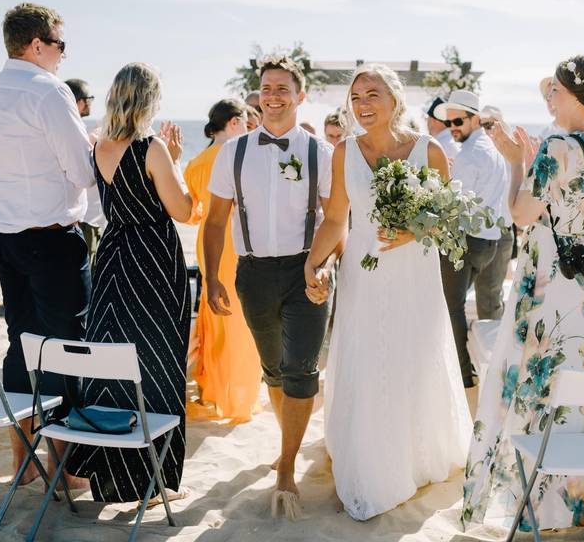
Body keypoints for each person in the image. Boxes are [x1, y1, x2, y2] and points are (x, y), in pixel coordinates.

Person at [463, 55, 584, 532]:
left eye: (553, 92)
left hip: (552, 275)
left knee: (542, 375)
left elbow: (523, 214)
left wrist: (516, 164)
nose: (549, 100)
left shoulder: (555, 144)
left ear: (572, 96)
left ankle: (547, 507)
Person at [303, 64, 470, 521]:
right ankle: (371, 459)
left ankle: (412, 456)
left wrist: (415, 233)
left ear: (395, 99)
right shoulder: (344, 152)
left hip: (415, 275)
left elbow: (449, 218)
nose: (363, 105)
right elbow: (337, 218)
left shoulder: (428, 150)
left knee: (411, 356)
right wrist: (314, 263)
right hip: (364, 270)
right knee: (366, 355)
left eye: (372, 94)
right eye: (356, 97)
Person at [203, 55, 336, 519]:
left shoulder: (322, 153)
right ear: (257, 95)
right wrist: (212, 277)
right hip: (253, 274)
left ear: (301, 96)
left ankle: (286, 467)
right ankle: (288, 443)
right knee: (274, 370)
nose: (273, 96)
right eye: (266, 88)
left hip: (306, 270)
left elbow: (336, 220)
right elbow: (215, 221)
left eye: (283, 88)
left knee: (300, 369)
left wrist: (322, 264)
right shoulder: (232, 152)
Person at [0, 2, 94, 485]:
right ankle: (64, 467)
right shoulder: (47, 91)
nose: (63, 55)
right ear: (37, 45)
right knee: (68, 348)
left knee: (22, 342)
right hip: (50, 240)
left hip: (3, 240)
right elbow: (82, 172)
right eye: (60, 45)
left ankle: (22, 456)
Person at [67, 63, 192, 501]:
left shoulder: (99, 145)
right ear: (149, 99)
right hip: (154, 260)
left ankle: (112, 476)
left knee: (113, 360)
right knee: (157, 360)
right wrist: (175, 164)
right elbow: (183, 210)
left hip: (114, 255)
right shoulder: (151, 146)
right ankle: (152, 480)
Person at [184, 98, 261, 422]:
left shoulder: (197, 162)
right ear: (233, 122)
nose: (247, 128)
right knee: (241, 321)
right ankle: (239, 396)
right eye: (245, 122)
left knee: (214, 317)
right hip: (236, 243)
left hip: (208, 244)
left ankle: (213, 391)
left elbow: (192, 213)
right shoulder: (240, 156)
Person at [434, 89, 508, 416]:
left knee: (451, 308)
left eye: (459, 120)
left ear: (475, 119)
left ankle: (465, 376)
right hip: (490, 241)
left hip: (466, 240)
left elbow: (452, 201)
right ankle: (471, 368)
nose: (453, 126)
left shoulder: (469, 156)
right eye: (449, 121)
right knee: (469, 306)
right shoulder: (489, 150)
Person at [475, 104, 516, 316]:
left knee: (490, 297)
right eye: (480, 124)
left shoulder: (513, 157)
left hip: (500, 234)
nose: (485, 129)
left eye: (490, 124)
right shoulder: (475, 154)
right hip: (475, 234)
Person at [66, 78, 105, 268]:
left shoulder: (78, 128)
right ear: (78, 101)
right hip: (84, 217)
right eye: (89, 98)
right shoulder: (74, 130)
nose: (90, 103)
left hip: (93, 216)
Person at [425, 96, 460, 161]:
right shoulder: (454, 141)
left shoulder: (437, 144)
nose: (426, 123)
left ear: (434, 120)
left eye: (427, 119)